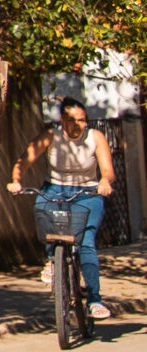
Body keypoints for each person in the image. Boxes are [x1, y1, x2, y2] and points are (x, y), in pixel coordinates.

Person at [11, 97, 117, 321]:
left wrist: (105, 182)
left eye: (81, 120)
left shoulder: (95, 138)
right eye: (71, 120)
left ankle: (95, 301)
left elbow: (107, 170)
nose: (77, 125)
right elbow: (24, 161)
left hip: (87, 193)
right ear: (61, 120)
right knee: (44, 215)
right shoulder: (51, 136)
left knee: (86, 243)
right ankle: (53, 260)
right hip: (55, 190)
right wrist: (16, 180)